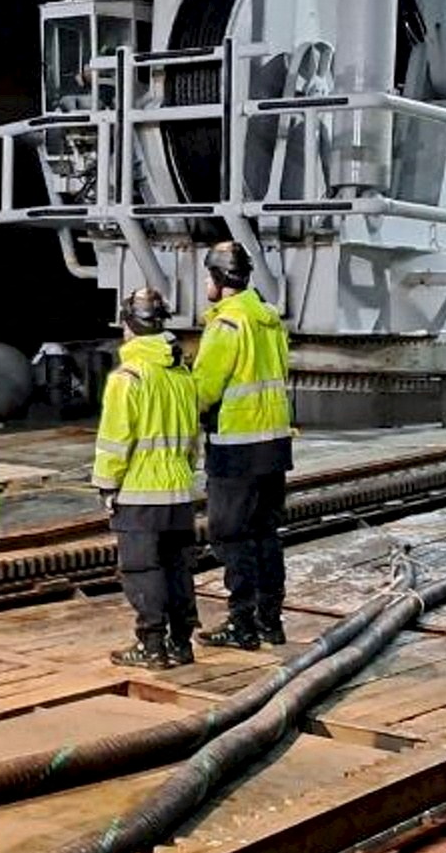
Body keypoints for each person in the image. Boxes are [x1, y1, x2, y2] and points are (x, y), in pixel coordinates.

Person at [189, 239, 295, 651]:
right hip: (274, 444)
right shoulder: (269, 320)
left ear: (217, 278)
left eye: (207, 276)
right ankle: (270, 621)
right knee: (266, 533)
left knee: (230, 535)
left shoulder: (227, 325)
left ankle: (241, 624)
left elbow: (204, 391)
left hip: (237, 447)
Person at [92, 286, 203, 670]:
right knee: (176, 566)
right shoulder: (181, 373)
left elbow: (115, 441)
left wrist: (107, 485)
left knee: (143, 569)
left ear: (128, 326)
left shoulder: (129, 378)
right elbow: (193, 437)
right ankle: (181, 643)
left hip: (140, 493)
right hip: (178, 490)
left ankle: (152, 646)